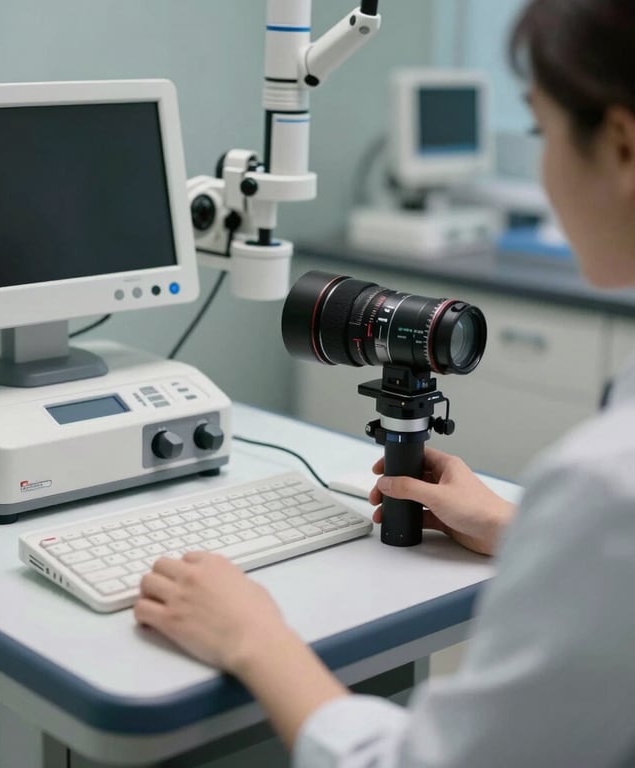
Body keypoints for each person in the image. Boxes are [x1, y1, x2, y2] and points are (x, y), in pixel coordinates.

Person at [133, 0, 635, 764]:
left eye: (539, 130)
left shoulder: (606, 485)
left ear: (623, 147)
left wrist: (256, 638)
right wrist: (517, 531)